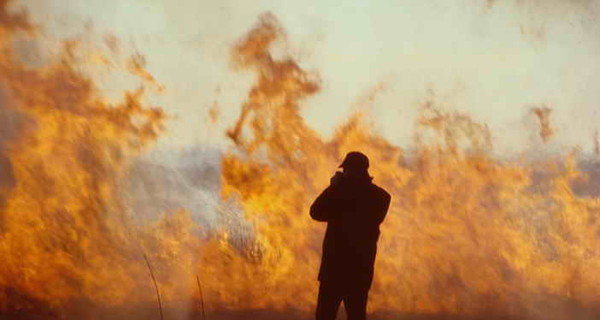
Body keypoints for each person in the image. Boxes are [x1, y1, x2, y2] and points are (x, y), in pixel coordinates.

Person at [310, 151, 391, 320]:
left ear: (350, 170)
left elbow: (315, 212)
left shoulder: (339, 193)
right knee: (356, 315)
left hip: (334, 270)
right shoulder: (380, 197)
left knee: (325, 315)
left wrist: (334, 187)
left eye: (346, 170)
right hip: (360, 270)